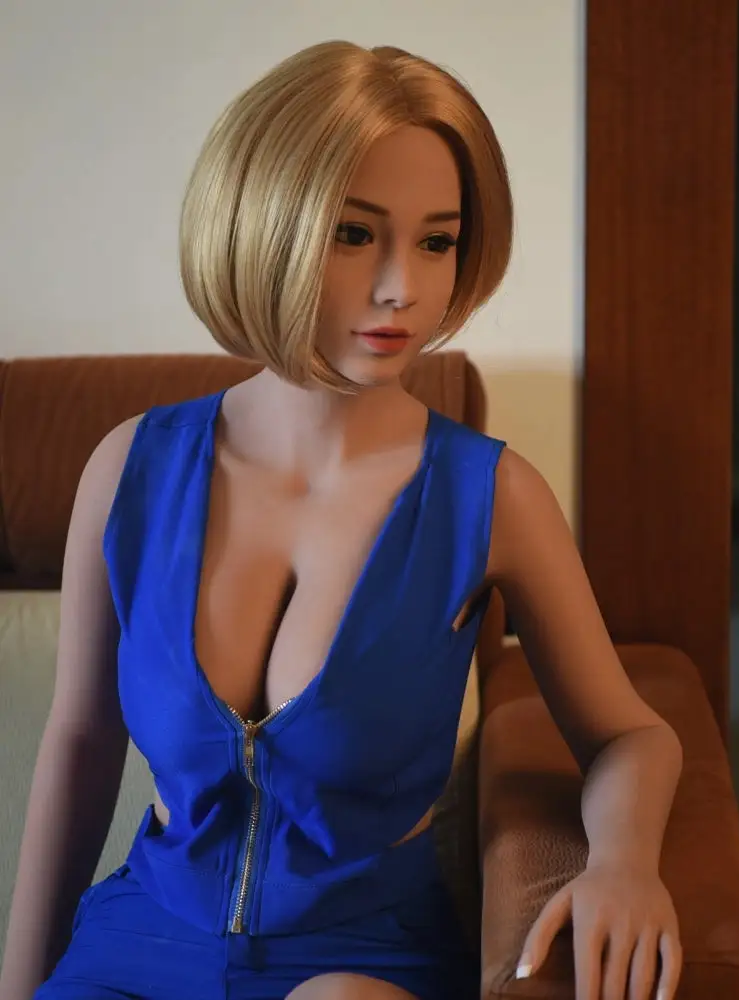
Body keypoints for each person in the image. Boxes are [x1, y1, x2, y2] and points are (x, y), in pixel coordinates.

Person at [0, 40, 683, 1000]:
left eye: (437, 242)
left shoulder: (491, 496)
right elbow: (79, 744)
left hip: (361, 957)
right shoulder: (129, 470)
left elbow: (631, 736)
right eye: (354, 234)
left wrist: (622, 863)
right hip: (136, 940)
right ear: (263, 227)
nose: (403, 287)